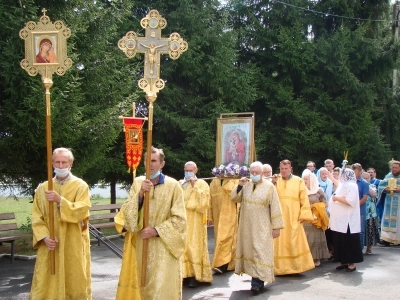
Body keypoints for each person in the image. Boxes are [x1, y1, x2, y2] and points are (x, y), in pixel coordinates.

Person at [115, 146, 186, 300]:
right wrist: (140, 194)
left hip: (165, 246)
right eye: (147, 161)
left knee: (161, 289)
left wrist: (156, 230)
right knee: (143, 288)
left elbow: (180, 219)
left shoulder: (173, 186)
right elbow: (127, 214)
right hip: (142, 244)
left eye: (153, 161)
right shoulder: (138, 182)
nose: (150, 164)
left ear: (162, 164)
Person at [29, 147, 92, 300]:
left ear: (71, 164)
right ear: (52, 163)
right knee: (46, 280)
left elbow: (82, 211)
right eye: (57, 162)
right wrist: (44, 237)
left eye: (64, 162)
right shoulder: (43, 188)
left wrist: (60, 201)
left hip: (72, 242)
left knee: (73, 279)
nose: (60, 166)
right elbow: (37, 217)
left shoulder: (80, 186)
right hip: (50, 244)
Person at [231, 161, 284, 293]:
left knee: (260, 252)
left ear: (262, 174)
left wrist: (276, 227)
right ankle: (255, 280)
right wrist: (239, 186)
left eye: (257, 173)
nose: (254, 175)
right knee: (250, 252)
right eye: (252, 172)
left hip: (262, 226)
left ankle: (258, 282)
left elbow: (275, 207)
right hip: (247, 226)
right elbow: (235, 199)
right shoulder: (247, 185)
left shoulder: (269, 187)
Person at [273, 159, 315, 275]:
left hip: (293, 216)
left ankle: (296, 267)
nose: (284, 171)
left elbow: (304, 198)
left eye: (286, 168)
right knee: (279, 242)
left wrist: (304, 214)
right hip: (279, 217)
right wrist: (273, 183)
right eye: (282, 169)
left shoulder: (298, 181)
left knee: (294, 242)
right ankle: (279, 268)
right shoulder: (276, 180)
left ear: (291, 169)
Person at [179, 161, 212, 288]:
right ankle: (184, 274)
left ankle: (194, 275)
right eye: (186, 170)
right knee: (182, 247)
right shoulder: (179, 184)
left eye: (190, 170)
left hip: (196, 221)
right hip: (182, 220)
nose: (188, 173)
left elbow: (204, 203)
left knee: (193, 247)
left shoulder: (202, 184)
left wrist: (195, 187)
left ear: (196, 171)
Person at [329, 168, 364, 272]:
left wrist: (336, 198)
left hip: (348, 221)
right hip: (340, 220)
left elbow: (351, 200)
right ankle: (343, 261)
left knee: (349, 241)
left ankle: (351, 264)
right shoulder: (344, 184)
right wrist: (331, 177)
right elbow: (338, 183)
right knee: (340, 241)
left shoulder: (352, 185)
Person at [209, 177, 239, 274]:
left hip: (230, 214)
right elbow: (209, 199)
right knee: (219, 239)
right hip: (217, 215)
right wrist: (209, 216)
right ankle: (228, 262)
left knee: (226, 238)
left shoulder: (235, 180)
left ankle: (222, 264)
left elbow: (235, 194)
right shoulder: (214, 182)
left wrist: (229, 180)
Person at [301, 169, 330, 267]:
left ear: (312, 180)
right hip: (305, 219)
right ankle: (306, 259)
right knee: (306, 238)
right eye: (304, 179)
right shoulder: (301, 190)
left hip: (316, 219)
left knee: (316, 238)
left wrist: (314, 206)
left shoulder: (319, 190)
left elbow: (325, 203)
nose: (305, 181)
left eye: (307, 179)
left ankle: (316, 258)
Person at [377, 160, 400, 245]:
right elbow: (380, 186)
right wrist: (385, 189)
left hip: (399, 203)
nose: (394, 169)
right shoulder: (388, 176)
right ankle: (386, 239)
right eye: (392, 168)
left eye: (396, 168)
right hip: (389, 202)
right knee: (387, 219)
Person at [351, 163, 369, 251]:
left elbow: (364, 198)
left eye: (355, 172)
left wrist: (354, 206)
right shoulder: (350, 182)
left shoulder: (364, 183)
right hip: (350, 210)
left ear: (360, 172)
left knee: (360, 231)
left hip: (360, 210)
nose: (354, 174)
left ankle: (360, 249)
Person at [361, 172, 380, 254]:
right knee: (361, 231)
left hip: (370, 212)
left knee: (370, 230)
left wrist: (366, 185)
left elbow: (373, 194)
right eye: (363, 178)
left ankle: (369, 248)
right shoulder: (359, 185)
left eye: (367, 178)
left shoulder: (372, 186)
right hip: (361, 210)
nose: (365, 179)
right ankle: (360, 247)